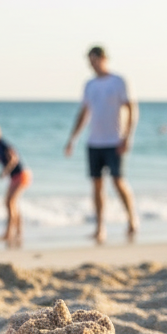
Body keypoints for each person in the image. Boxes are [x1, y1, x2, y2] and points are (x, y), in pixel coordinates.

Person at [65, 46, 139, 243]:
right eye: (89, 61)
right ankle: (100, 227)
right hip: (94, 142)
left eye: (94, 60)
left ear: (104, 58)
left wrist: (127, 137)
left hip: (114, 140)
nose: (92, 65)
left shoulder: (118, 81)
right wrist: (73, 138)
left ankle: (132, 219)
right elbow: (84, 113)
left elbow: (132, 108)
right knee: (96, 185)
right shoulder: (89, 85)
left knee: (117, 181)